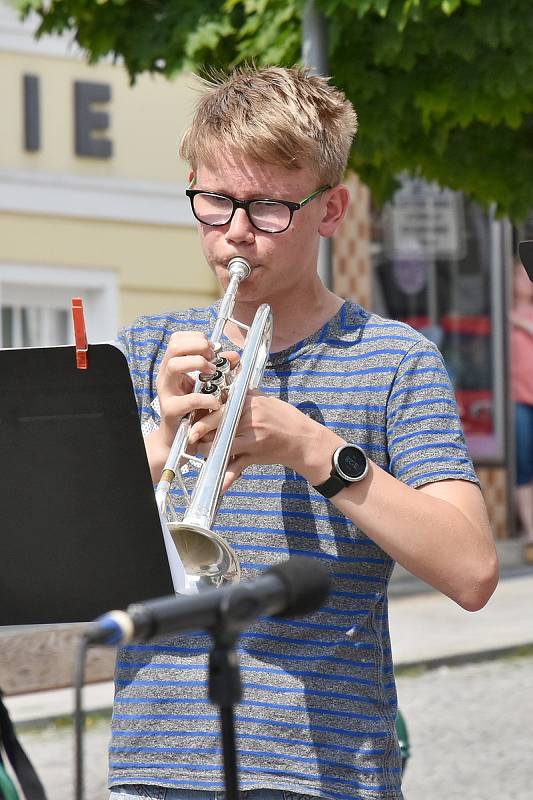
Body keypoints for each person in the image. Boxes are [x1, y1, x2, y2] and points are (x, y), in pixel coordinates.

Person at [110, 65, 499, 800]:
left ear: (330, 210)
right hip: (155, 767)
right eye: (214, 201)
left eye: (267, 209)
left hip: (323, 774)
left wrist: (314, 451)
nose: (233, 233)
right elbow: (71, 553)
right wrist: (160, 439)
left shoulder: (394, 361)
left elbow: (473, 571)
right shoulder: (145, 350)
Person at [510, 259, 533, 544]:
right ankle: (530, 531)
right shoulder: (504, 313)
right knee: (524, 464)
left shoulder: (517, 318)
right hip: (516, 399)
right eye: (520, 276)